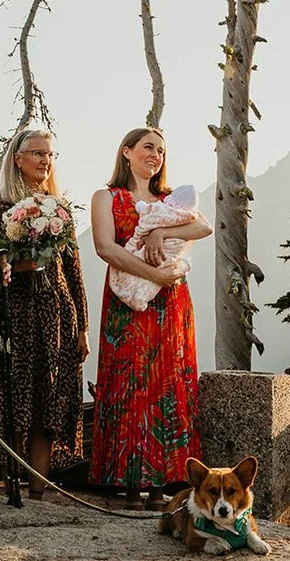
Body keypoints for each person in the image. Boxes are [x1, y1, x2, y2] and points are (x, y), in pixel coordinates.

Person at [89, 127, 212, 510]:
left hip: (169, 303)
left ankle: (162, 484)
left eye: (160, 150)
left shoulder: (169, 200)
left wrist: (160, 229)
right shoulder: (106, 197)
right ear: (127, 152)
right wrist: (152, 274)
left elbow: (204, 226)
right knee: (128, 384)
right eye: (147, 147)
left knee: (167, 384)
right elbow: (104, 247)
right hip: (129, 303)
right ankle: (127, 484)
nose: (155, 155)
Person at [0, 128, 89, 499]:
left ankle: (39, 491)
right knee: (12, 395)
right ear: (17, 158)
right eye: (37, 153)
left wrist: (82, 327)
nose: (45, 160)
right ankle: (11, 484)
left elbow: (74, 269)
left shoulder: (59, 207)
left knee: (48, 398)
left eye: (50, 154)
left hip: (55, 311)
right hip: (13, 312)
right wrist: (10, 263)